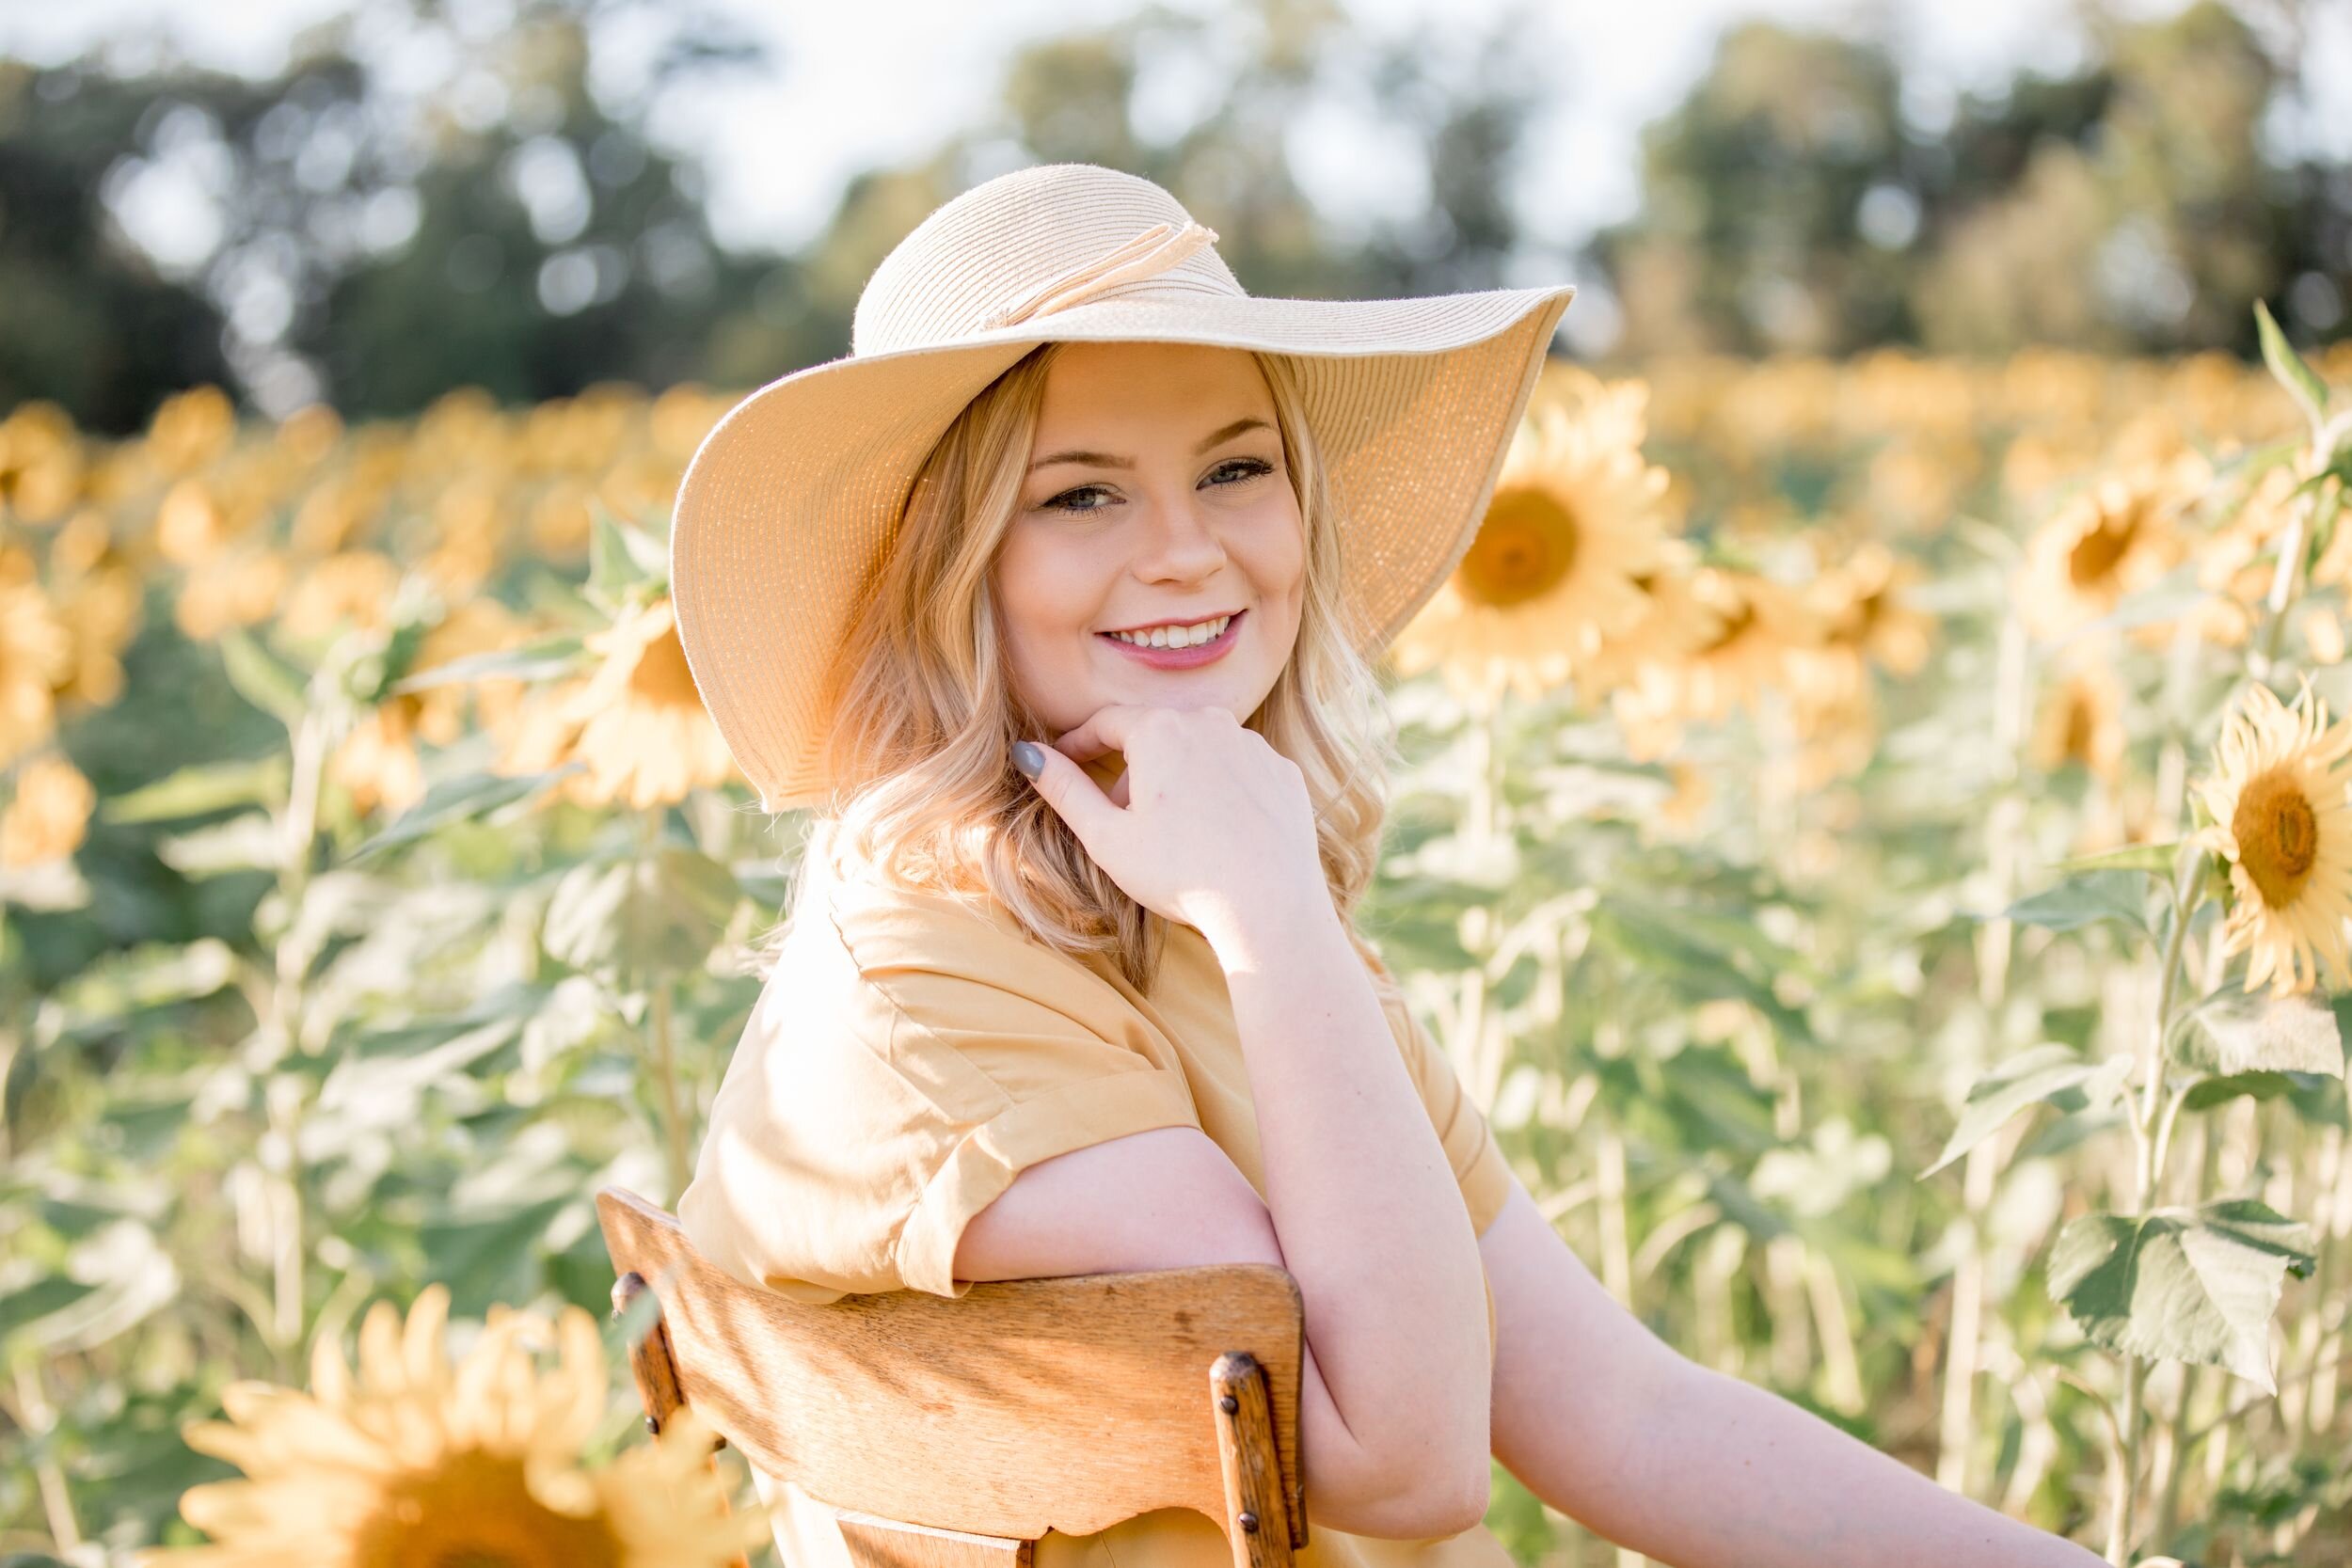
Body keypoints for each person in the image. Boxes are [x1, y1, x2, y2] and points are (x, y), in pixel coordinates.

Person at [666, 163, 2100, 1568]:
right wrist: (1278, 918)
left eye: (1239, 468)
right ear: (947, 567)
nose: (1187, 552)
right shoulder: (933, 984)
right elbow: (1402, 1458)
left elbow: (1619, 1411)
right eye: (1081, 497)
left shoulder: (1185, 909)